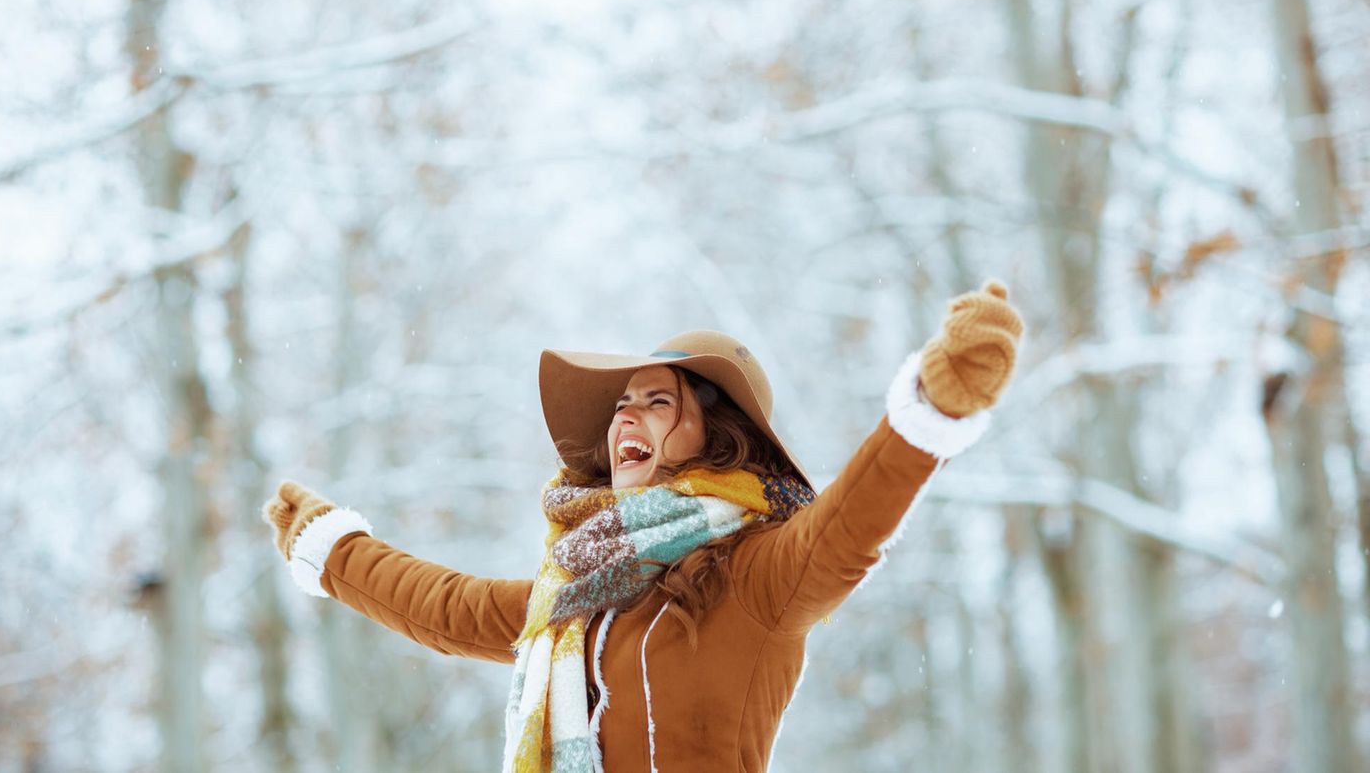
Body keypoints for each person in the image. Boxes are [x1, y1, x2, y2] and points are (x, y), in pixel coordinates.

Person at [263, 280, 1024, 773]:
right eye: (623, 403)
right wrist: (333, 550)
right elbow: (445, 605)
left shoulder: (758, 578)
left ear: (719, 438)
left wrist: (930, 411)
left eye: (658, 401)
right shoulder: (577, 595)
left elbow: (846, 528)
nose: (626, 413)